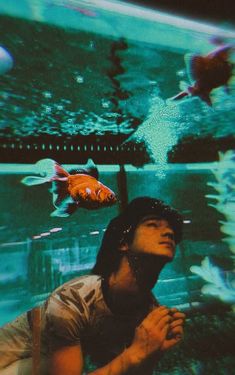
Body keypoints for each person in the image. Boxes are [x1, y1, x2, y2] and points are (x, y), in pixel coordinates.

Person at [0, 196, 185, 375]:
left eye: (172, 230)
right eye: (152, 224)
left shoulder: (149, 310)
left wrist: (154, 351)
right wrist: (136, 353)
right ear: (123, 242)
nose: (169, 232)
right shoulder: (72, 300)